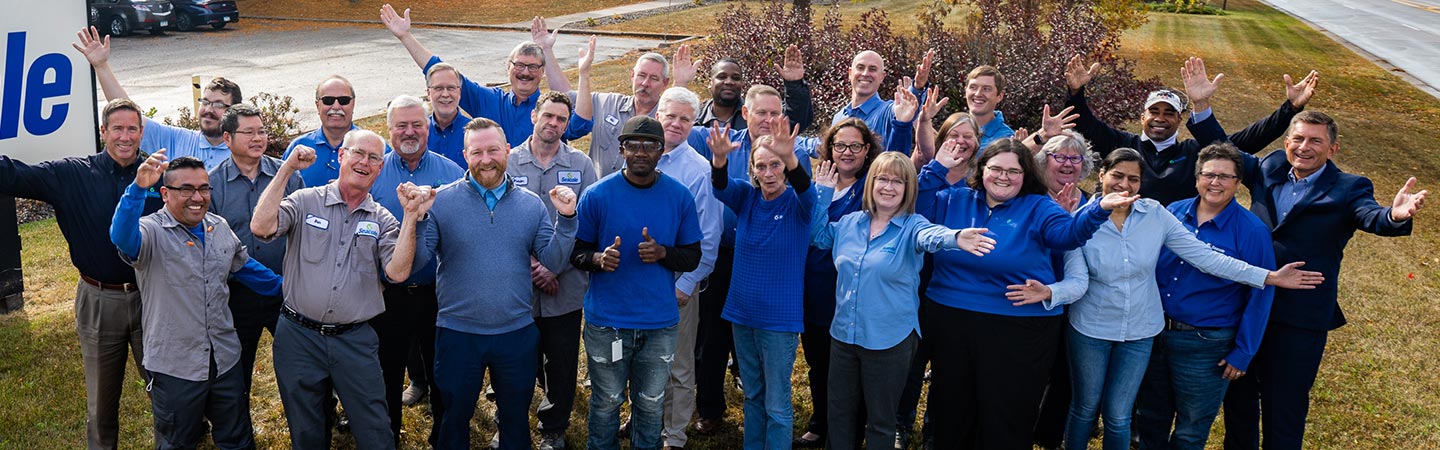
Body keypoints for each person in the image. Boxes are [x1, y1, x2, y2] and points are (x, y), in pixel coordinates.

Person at [1013, 147, 1318, 450]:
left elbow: (1206, 257)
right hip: (1091, 327)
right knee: (1085, 408)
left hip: (1142, 331)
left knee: (1120, 416)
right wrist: (1051, 291)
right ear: (1102, 175)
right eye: (1117, 175)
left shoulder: (1156, 215)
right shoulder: (1082, 221)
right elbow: (1077, 281)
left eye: (1133, 178)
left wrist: (1268, 276)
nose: (1124, 184)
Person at [914, 139, 1138, 450]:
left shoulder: (1039, 206)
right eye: (995, 169)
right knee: (953, 407)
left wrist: (1098, 209)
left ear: (1026, 174)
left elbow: (1068, 236)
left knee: (1005, 412)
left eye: (1013, 171)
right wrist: (938, 167)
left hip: (1018, 326)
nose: (1003, 177)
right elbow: (916, 208)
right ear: (981, 170)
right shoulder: (954, 200)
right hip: (951, 321)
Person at [1223, 111, 1427, 450]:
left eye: (1315, 140)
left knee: (1284, 407)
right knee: (1238, 401)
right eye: (1298, 139)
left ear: (1332, 148)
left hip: (1299, 317)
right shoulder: (1269, 167)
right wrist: (1200, 108)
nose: (1305, 147)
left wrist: (1394, 215)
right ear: (1286, 143)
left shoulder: (1349, 187)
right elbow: (1224, 151)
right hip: (1246, 306)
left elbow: (1371, 215)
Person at [387, 117, 580, 450]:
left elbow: (553, 261)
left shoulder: (532, 205)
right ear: (465, 155)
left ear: (507, 150)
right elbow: (418, 263)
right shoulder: (441, 201)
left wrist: (566, 219)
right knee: (453, 417)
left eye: (493, 150)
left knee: (515, 420)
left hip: (516, 333)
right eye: (477, 152)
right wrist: (417, 218)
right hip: (458, 333)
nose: (486, 159)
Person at [0, 98, 162, 450]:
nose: (125, 136)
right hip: (98, 299)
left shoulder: (159, 176)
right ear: (102, 132)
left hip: (154, 296)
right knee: (101, 403)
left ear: (141, 132)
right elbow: (13, 175)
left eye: (132, 128)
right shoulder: (71, 174)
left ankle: (179, 440)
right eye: (116, 128)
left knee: (164, 388)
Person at [809, 151, 994, 450]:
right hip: (844, 335)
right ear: (871, 183)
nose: (889, 187)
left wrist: (956, 237)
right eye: (883, 178)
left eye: (898, 181)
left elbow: (931, 236)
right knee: (839, 414)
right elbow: (817, 235)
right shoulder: (850, 223)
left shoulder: (913, 226)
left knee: (882, 421)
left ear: (909, 189)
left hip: (889, 341)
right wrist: (823, 192)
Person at [110, 153, 283, 449]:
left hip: (225, 359)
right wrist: (137, 188)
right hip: (176, 366)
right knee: (178, 442)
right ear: (165, 194)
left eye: (204, 188)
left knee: (238, 439)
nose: (197, 197)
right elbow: (122, 237)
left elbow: (248, 269)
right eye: (186, 189)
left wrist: (291, 291)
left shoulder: (218, 227)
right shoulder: (151, 231)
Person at [251, 129, 401, 450]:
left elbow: (397, 272)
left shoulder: (384, 220)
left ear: (380, 168)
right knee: (306, 431)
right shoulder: (305, 201)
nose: (364, 161)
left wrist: (414, 216)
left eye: (374, 157)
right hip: (298, 337)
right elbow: (261, 227)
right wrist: (287, 169)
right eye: (358, 153)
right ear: (341, 156)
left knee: (375, 430)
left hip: (355, 340)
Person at [569, 116, 704, 450]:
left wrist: (662, 253)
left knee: (651, 402)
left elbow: (692, 257)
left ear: (661, 151)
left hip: (659, 323)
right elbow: (576, 253)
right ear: (621, 149)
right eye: (633, 145)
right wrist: (598, 260)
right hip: (608, 324)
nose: (641, 152)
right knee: (606, 401)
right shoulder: (597, 195)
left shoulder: (679, 197)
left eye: (650, 145)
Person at [1132, 144, 1278, 450]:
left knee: (1190, 430)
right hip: (1154, 334)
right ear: (1197, 178)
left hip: (1206, 345)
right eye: (1209, 174)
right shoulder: (1172, 213)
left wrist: (1244, 351)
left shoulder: (1252, 231)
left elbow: (1261, 293)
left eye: (1225, 176)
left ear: (1238, 182)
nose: (1216, 182)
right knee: (1149, 420)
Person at [1061, 55, 1319, 205]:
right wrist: (1075, 92)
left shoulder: (1196, 151)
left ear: (1180, 119)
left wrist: (1290, 108)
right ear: (1142, 116)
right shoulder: (1122, 145)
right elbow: (1084, 123)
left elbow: (1248, 141)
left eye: (1169, 113)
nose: (1160, 119)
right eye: (1154, 111)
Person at [706, 119, 815, 450]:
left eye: (776, 165)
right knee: (752, 395)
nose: (769, 173)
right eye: (762, 166)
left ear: (785, 167)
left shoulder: (799, 205)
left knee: (777, 403)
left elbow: (806, 190)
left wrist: (792, 158)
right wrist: (720, 159)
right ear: (753, 169)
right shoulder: (747, 198)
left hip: (778, 320)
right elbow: (720, 187)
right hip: (741, 313)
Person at [366, 95, 466, 446]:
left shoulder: (451, 174)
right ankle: (387, 436)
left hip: (437, 294)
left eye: (417, 124)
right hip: (384, 295)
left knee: (442, 370)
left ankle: (444, 435)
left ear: (428, 127)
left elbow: (462, 234)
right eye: (401, 125)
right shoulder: (372, 173)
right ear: (388, 130)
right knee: (386, 371)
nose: (410, 132)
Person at [506, 90, 598, 450]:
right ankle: (509, 422)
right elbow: (498, 221)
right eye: (548, 116)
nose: (554, 124)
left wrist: (554, 269)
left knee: (561, 366)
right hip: (517, 287)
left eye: (562, 119)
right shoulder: (509, 162)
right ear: (534, 116)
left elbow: (587, 226)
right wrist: (533, 265)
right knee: (515, 364)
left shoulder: (581, 165)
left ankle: (553, 429)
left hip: (565, 288)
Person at [793, 118, 883, 448]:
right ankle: (821, 423)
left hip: (848, 292)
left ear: (867, 150)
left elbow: (827, 239)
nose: (846, 152)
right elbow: (806, 230)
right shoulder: (819, 182)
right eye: (839, 145)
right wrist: (821, 191)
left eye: (855, 146)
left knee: (847, 367)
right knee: (818, 363)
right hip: (814, 289)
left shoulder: (870, 187)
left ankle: (851, 428)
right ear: (829, 148)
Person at [207, 104, 304, 402]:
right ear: (227, 138)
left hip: (286, 292)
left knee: (301, 366)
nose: (257, 138)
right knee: (236, 373)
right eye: (248, 132)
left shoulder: (288, 176)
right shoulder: (212, 184)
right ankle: (238, 435)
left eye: (261, 131)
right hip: (236, 294)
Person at [652, 87, 724, 450]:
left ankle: (673, 435)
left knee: (677, 365)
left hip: (678, 283)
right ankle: (644, 420)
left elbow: (709, 237)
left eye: (685, 118)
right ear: (657, 114)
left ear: (693, 122)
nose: (676, 124)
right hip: (638, 281)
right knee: (642, 357)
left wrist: (687, 283)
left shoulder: (698, 170)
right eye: (671, 115)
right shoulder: (637, 156)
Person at [381, 5, 548, 147]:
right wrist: (405, 37)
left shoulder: (550, 110)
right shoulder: (488, 100)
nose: (525, 72)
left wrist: (547, 49)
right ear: (508, 68)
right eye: (519, 65)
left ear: (542, 71)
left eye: (533, 67)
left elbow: (575, 124)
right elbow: (441, 72)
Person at [74, 27, 236, 169]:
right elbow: (128, 112)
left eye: (218, 105)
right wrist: (101, 66)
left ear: (234, 112)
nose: (208, 110)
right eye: (205, 102)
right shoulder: (176, 139)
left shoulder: (243, 152)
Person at [831, 49, 933, 154]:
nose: (865, 73)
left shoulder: (886, 112)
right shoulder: (839, 117)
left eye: (872, 69)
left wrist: (917, 87)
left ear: (882, 77)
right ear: (850, 73)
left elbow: (904, 112)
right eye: (860, 67)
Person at [693, 48, 814, 132]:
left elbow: (796, 121)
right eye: (722, 77)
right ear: (710, 83)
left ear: (742, 84)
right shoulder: (693, 117)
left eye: (735, 78)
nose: (729, 82)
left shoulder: (758, 115)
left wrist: (794, 84)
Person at [283, 75, 364, 187]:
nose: (336, 106)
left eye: (343, 100)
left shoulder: (374, 148)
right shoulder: (298, 147)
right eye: (328, 100)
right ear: (318, 105)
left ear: (353, 104)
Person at [422, 62, 473, 166]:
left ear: (459, 92)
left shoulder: (474, 132)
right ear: (428, 93)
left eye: (451, 88)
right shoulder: (418, 132)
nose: (445, 94)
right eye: (438, 88)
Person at [962, 65, 1015, 148]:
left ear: (1000, 96)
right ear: (965, 91)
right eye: (973, 87)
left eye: (986, 89)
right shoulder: (954, 130)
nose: (978, 94)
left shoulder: (1006, 139)